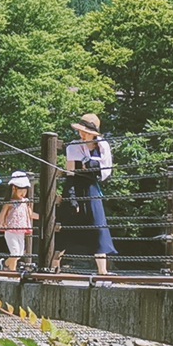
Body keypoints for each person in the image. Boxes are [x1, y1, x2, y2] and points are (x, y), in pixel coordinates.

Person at [60, 113, 118, 274]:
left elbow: (104, 171)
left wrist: (89, 165)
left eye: (86, 131)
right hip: (75, 187)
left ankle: (102, 271)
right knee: (65, 228)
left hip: (92, 188)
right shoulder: (73, 146)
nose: (82, 134)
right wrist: (71, 197)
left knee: (98, 227)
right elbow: (71, 172)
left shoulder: (102, 146)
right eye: (81, 131)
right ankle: (53, 267)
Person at [0, 171, 33, 272]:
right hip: (10, 230)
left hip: (21, 231)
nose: (23, 194)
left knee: (20, 253)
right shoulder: (9, 203)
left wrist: (43, 217)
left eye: (25, 191)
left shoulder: (25, 202)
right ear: (14, 188)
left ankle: (8, 267)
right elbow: (1, 215)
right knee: (15, 253)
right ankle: (9, 268)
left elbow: (30, 214)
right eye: (21, 191)